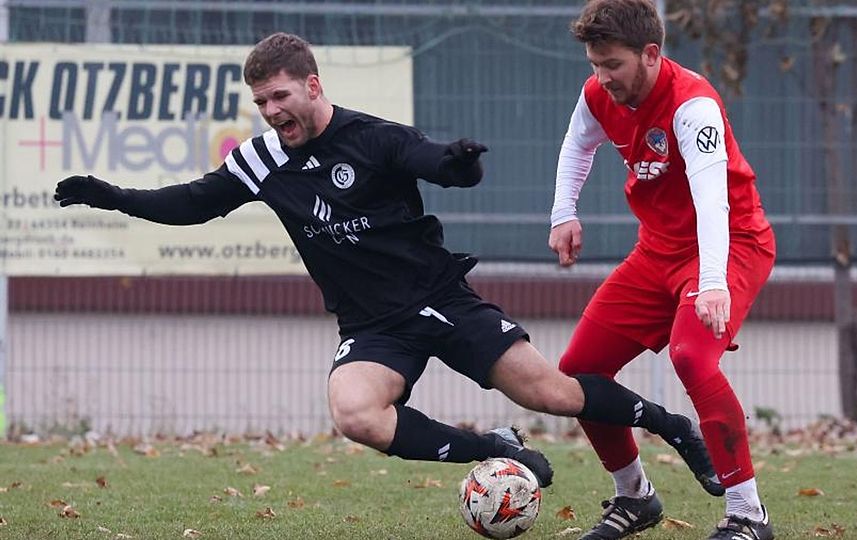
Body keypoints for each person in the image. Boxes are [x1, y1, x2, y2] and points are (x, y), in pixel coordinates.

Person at [54, 31, 720, 502]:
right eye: (261, 103)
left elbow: (433, 162)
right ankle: (500, 448)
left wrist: (461, 165)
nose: (272, 112)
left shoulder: (374, 138)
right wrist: (111, 196)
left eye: (281, 96)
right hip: (375, 326)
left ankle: (673, 427)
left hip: (439, 299)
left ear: (312, 85)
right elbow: (193, 203)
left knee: (553, 393)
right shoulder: (262, 160)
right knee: (355, 414)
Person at [549, 2, 777, 539]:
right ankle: (635, 498)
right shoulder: (597, 93)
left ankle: (748, 515)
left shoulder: (692, 106)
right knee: (577, 373)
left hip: (730, 243)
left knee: (691, 357)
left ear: (651, 54)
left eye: (613, 65)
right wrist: (564, 212)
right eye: (594, 64)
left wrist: (715, 282)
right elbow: (578, 143)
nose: (602, 78)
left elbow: (712, 199)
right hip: (657, 251)